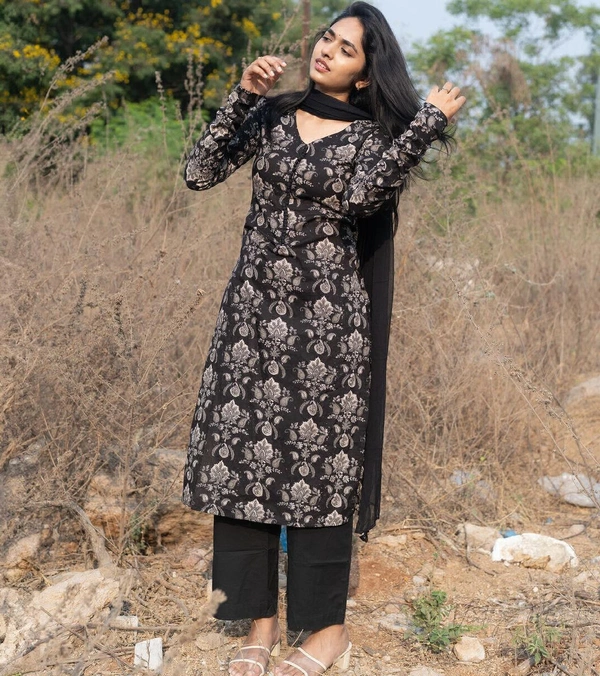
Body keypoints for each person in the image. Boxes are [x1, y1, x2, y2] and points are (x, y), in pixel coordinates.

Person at [182, 2, 466, 675]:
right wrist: (243, 95)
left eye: (346, 49)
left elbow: (364, 199)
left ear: (365, 74)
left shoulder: (371, 139)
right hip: (251, 320)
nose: (327, 51)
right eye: (327, 38)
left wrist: (424, 126)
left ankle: (325, 632)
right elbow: (199, 171)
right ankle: (257, 625)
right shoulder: (274, 115)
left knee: (320, 473)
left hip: (328, 327)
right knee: (239, 466)